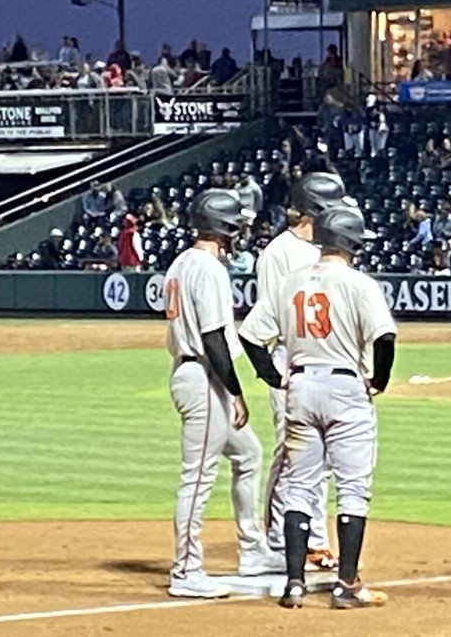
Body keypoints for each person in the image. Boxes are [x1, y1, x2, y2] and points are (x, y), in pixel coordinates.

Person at [261, 204, 397, 610]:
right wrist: (380, 381)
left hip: (300, 386)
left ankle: (294, 584)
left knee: (299, 485)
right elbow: (384, 339)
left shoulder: (291, 282)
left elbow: (253, 336)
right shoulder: (358, 283)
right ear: (352, 241)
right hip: (344, 388)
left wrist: (272, 375)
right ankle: (347, 585)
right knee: (352, 487)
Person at [163, 190, 280, 599]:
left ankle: (252, 550)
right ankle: (185, 571)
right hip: (203, 376)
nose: (242, 230)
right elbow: (213, 338)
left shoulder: (180, 263)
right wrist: (236, 392)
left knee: (247, 453)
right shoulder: (209, 270)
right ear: (225, 227)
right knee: (196, 478)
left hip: (194, 373)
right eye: (238, 223)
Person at [238, 172, 348, 573]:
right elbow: (269, 316)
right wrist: (273, 373)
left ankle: (314, 540)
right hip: (289, 358)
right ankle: (278, 538)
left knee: (322, 460)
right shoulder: (279, 252)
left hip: (327, 361)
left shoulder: (330, 248)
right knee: (292, 455)